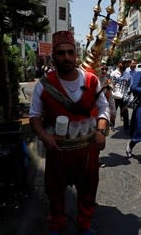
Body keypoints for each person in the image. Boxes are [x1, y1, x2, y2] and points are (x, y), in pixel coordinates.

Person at [29, 31, 110, 235]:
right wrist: (45, 137)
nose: (66, 57)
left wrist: (101, 130)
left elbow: (103, 107)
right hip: (58, 149)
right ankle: (56, 223)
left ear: (76, 55)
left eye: (70, 53)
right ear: (53, 57)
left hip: (87, 149)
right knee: (54, 190)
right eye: (61, 53)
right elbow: (35, 117)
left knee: (88, 189)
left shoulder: (91, 80)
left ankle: (84, 224)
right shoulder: (44, 85)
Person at [110, 57, 131, 134]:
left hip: (123, 97)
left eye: (126, 64)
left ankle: (126, 128)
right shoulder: (113, 74)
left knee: (125, 112)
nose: (125, 65)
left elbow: (129, 85)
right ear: (119, 64)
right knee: (113, 112)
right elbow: (111, 84)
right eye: (124, 63)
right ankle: (112, 125)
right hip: (114, 97)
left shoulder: (127, 74)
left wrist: (127, 95)